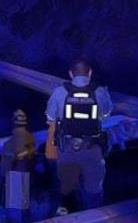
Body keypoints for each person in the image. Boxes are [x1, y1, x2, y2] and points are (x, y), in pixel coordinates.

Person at [45, 58, 113, 213]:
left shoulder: (59, 92)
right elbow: (107, 114)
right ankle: (94, 221)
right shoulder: (100, 91)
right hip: (92, 149)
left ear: (70, 74)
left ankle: (67, 221)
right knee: (94, 191)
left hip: (67, 150)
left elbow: (50, 117)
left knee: (67, 190)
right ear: (90, 73)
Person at [1, 109, 37, 223]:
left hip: (17, 178)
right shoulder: (30, 140)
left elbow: (5, 168)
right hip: (26, 177)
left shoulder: (10, 144)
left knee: (17, 217)